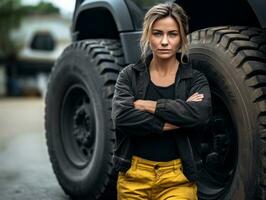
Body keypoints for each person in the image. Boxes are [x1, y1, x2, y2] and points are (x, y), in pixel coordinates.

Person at [111, 2, 212, 200]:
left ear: (182, 37)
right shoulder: (129, 76)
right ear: (148, 35)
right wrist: (176, 120)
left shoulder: (195, 79)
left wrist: (148, 105)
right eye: (158, 33)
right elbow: (122, 117)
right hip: (134, 175)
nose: (164, 41)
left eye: (172, 34)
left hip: (178, 177)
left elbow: (200, 115)